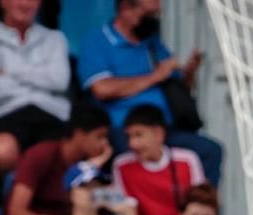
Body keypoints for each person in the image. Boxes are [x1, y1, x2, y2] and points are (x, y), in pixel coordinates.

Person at [78, 0, 223, 186]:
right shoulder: (97, 40)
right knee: (130, 158)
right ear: (126, 9)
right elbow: (101, 89)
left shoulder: (152, 43)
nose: (154, 20)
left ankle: (200, 211)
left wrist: (188, 73)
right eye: (148, 14)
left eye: (156, 14)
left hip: (163, 130)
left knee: (210, 150)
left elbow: (175, 85)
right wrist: (154, 76)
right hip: (123, 129)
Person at [0, 0, 72, 177]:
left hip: (52, 115)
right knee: (3, 149)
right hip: (5, 115)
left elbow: (59, 81)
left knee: (68, 149)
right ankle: (14, 198)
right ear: (3, 2)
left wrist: (8, 72)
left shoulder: (55, 39)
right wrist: (40, 75)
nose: (25, 4)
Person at [5, 103, 113, 215]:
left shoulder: (91, 165)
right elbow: (16, 212)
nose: (105, 144)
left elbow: (102, 208)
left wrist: (94, 167)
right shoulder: (41, 155)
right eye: (100, 136)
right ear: (79, 134)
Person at [112, 105, 206, 215]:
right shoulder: (121, 165)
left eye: (139, 135)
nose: (133, 144)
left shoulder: (187, 160)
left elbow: (201, 203)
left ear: (159, 134)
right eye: (129, 137)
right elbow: (125, 211)